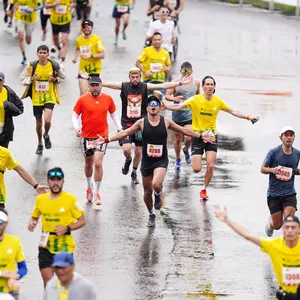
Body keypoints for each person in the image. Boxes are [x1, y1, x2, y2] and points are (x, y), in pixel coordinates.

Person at [93, 96, 215, 227]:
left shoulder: (166, 122)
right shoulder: (141, 123)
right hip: (147, 161)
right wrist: (106, 139)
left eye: (155, 104)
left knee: (156, 184)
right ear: (147, 108)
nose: (153, 106)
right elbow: (125, 133)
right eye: (150, 104)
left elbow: (184, 130)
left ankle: (158, 193)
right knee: (146, 191)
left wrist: (201, 136)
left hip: (161, 161)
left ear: (159, 108)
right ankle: (151, 214)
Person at [163, 75, 259, 200]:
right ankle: (186, 150)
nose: (209, 87)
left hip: (212, 137)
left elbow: (233, 111)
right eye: (207, 84)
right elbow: (180, 106)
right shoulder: (195, 99)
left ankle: (203, 189)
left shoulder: (217, 101)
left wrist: (248, 117)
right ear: (202, 87)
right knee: (197, 169)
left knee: (211, 165)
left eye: (211, 84)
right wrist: (167, 107)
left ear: (214, 87)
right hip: (198, 136)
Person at [101, 66, 192, 184]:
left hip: (142, 124)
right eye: (132, 77)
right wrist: (91, 79)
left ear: (140, 77)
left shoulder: (145, 86)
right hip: (127, 123)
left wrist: (179, 82)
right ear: (129, 78)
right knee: (127, 149)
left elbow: (162, 86)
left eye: (137, 77)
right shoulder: (124, 86)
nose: (135, 79)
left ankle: (134, 172)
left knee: (138, 152)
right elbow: (107, 84)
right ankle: (128, 159)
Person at [215, 206, 300, 300]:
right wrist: (227, 220)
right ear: (282, 230)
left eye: (293, 227)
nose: (290, 231)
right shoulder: (275, 246)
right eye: (287, 227)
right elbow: (248, 235)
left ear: (299, 230)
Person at [28, 167, 86, 287]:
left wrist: (67, 228)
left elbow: (82, 221)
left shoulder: (71, 200)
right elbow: (35, 216)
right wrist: (32, 222)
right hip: (45, 246)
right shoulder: (40, 199)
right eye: (52, 180)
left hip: (64, 247)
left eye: (58, 180)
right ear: (48, 182)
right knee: (48, 283)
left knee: (63, 284)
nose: (55, 183)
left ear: (63, 182)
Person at [72, 77, 122, 208]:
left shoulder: (108, 99)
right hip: (86, 136)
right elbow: (74, 115)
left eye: (97, 85)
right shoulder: (82, 99)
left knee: (98, 163)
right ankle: (89, 187)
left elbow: (113, 114)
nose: (95, 88)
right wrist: (77, 127)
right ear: (88, 86)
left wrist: (120, 128)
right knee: (88, 163)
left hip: (101, 137)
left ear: (101, 86)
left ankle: (97, 192)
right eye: (92, 85)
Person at [20, 44, 65, 155]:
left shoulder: (54, 65)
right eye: (41, 52)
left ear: (48, 54)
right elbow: (22, 79)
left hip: (50, 97)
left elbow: (62, 78)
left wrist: (54, 79)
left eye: (45, 53)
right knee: (39, 123)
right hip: (36, 98)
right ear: (37, 54)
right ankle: (40, 143)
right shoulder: (32, 66)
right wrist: (31, 78)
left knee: (47, 120)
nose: (43, 55)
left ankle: (46, 134)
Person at [262, 126, 300, 237]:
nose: (289, 138)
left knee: (289, 220)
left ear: (294, 138)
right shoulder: (273, 152)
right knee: (277, 225)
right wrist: (273, 170)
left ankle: (289, 250)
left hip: (289, 193)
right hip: (274, 194)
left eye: (291, 135)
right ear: (281, 137)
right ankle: (271, 224)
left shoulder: (297, 154)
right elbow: (262, 169)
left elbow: (294, 170)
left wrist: (298, 171)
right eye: (286, 135)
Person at [165, 62, 200, 170]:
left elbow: (198, 97)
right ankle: (177, 158)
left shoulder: (197, 83)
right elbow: (167, 95)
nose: (186, 73)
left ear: (192, 71)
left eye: (188, 71)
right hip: (177, 115)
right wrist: (174, 99)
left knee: (189, 138)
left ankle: (186, 150)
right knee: (178, 138)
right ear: (180, 71)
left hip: (189, 116)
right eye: (184, 71)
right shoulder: (175, 83)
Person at [0, 208, 27, 299]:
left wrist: (16, 276)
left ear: (5, 224)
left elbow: (23, 267)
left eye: (0, 222)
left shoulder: (15, 241)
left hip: (9, 291)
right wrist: (1, 274)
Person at [72, 19, 105, 95]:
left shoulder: (97, 40)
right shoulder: (79, 40)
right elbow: (77, 48)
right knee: (83, 92)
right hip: (83, 69)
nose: (86, 29)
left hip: (94, 70)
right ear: (82, 29)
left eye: (88, 27)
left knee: (92, 93)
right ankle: (82, 106)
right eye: (84, 27)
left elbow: (102, 55)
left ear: (92, 28)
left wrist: (91, 55)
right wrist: (75, 57)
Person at [7, 0, 41, 64]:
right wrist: (8, 10)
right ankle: (24, 57)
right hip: (20, 18)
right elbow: (11, 4)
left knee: (28, 41)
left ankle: (28, 34)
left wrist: (33, 9)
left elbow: (41, 6)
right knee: (21, 36)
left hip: (30, 20)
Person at [45, 0, 74, 68]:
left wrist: (72, 5)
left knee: (64, 41)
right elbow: (46, 6)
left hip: (66, 21)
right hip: (55, 22)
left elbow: (72, 3)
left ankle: (62, 61)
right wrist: (54, 4)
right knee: (56, 42)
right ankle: (59, 49)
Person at [0, 72, 24, 149]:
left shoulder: (9, 92)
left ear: (3, 81)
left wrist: (8, 105)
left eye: (0, 80)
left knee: (3, 155)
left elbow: (20, 109)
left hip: (5, 128)